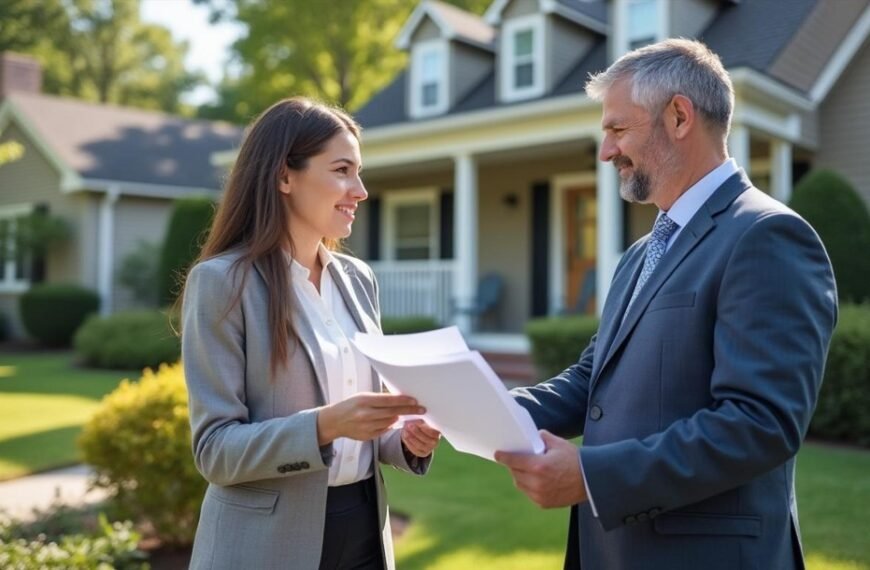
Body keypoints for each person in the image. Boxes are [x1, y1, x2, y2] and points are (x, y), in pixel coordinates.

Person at [495, 39, 837, 570]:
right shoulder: (640, 254)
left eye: (617, 129)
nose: (605, 151)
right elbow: (593, 379)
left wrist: (591, 476)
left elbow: (760, 423)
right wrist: (480, 410)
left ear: (679, 116)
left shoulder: (768, 237)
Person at [180, 96, 441, 570]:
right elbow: (215, 450)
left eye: (359, 172)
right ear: (284, 176)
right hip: (266, 547)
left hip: (364, 533)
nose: (359, 190)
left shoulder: (359, 278)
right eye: (342, 170)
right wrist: (327, 425)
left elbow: (365, 420)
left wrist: (403, 438)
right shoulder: (223, 284)